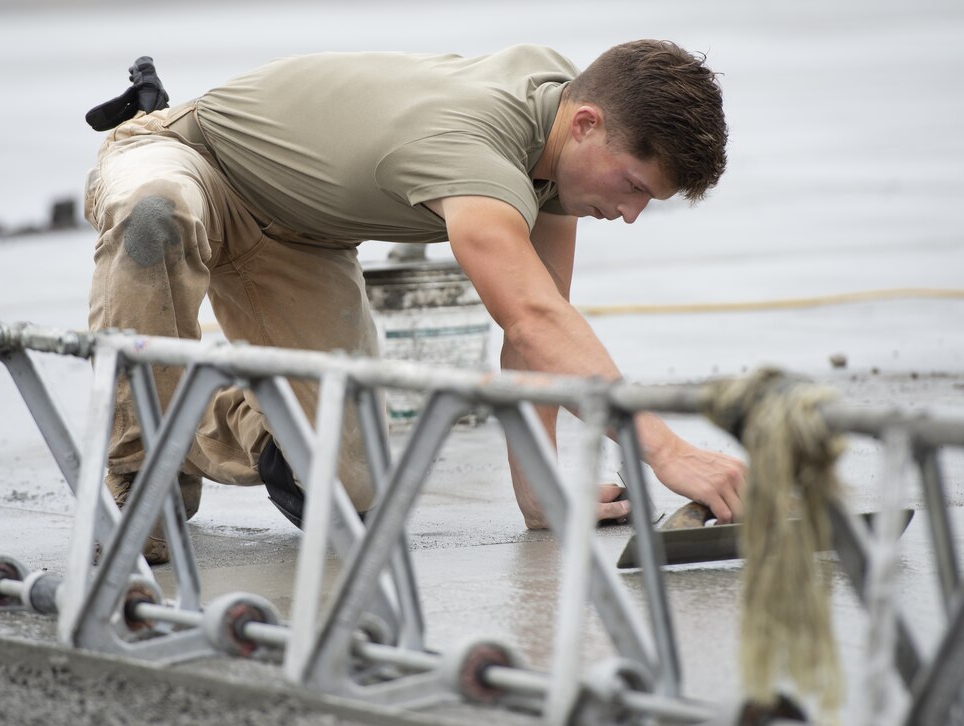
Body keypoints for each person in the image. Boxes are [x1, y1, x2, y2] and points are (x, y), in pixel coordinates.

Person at [84, 41, 746, 564]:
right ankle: (140, 477)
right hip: (188, 155)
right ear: (586, 124)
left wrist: (540, 493)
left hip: (304, 239)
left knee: (349, 496)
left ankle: (204, 405)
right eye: (631, 186)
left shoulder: (561, 130)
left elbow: (537, 335)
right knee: (154, 214)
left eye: (646, 202)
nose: (629, 214)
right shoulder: (477, 158)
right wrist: (665, 450)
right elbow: (535, 321)